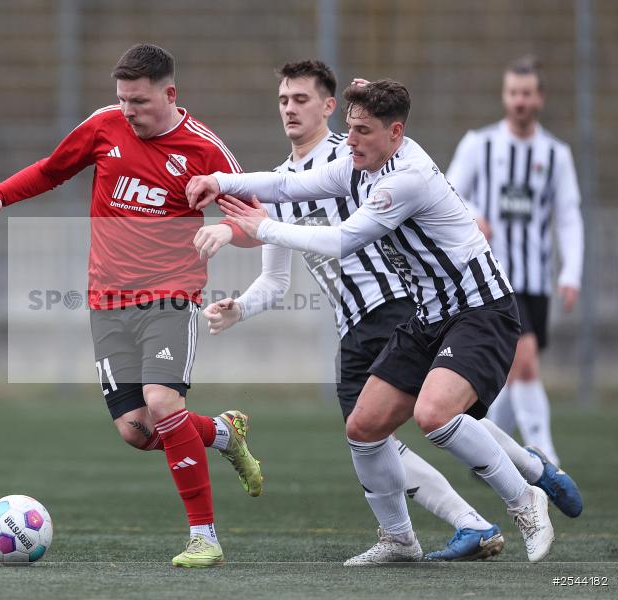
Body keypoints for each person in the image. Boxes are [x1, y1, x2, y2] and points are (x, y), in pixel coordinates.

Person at [198, 61, 581, 561]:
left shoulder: (403, 179)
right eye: (283, 99)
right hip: (423, 314)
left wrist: (259, 227)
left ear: (393, 132)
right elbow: (288, 189)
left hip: (476, 307)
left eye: (361, 130)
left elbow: (342, 239)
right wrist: (220, 181)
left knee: (434, 414)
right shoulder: (355, 162)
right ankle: (402, 537)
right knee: (365, 427)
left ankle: (522, 499)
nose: (351, 140)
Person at [0, 44, 263, 568]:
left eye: (139, 101)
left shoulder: (204, 149)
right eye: (122, 99)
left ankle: (205, 537)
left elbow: (255, 223)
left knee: (163, 402)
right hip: (106, 301)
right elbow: (52, 170)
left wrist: (225, 230)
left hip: (170, 295)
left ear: (170, 94)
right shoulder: (104, 126)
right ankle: (222, 433)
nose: (128, 110)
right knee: (137, 429)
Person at [446, 56, 584, 479]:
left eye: (526, 93)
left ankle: (489, 452)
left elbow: (568, 215)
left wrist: (571, 272)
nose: (519, 101)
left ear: (539, 98)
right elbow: (448, 192)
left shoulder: (556, 154)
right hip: (491, 277)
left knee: (514, 370)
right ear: (505, 97)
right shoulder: (480, 144)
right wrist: (474, 214)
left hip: (535, 278)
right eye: (513, 93)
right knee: (523, 361)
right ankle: (544, 455)